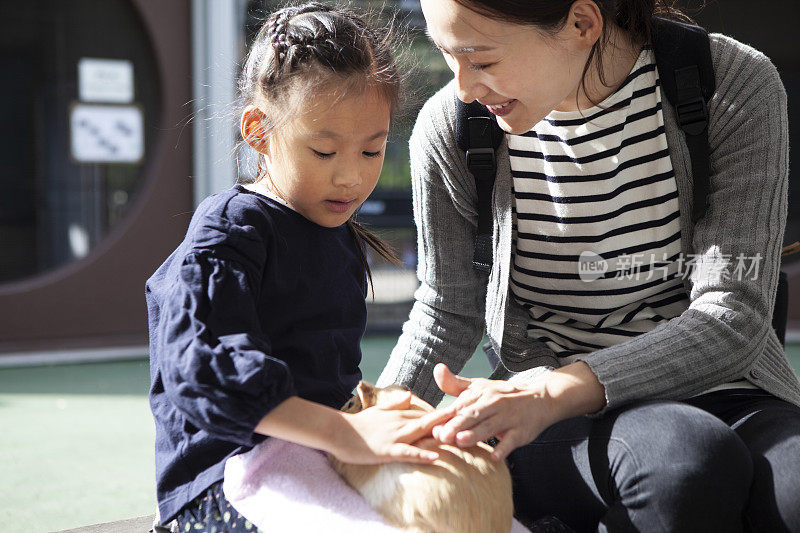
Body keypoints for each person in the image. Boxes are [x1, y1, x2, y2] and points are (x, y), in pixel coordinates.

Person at [376, 0, 800, 531]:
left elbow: (731, 312)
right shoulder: (451, 130)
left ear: (582, 23)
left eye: (480, 60)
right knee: (685, 463)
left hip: (732, 390)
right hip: (553, 419)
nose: (463, 86)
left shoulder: (730, 84)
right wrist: (364, 430)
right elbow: (448, 309)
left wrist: (553, 389)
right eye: (447, 57)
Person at [146, 4, 450, 531]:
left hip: (317, 459)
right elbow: (201, 370)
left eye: (372, 151)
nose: (350, 179)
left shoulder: (338, 235)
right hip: (224, 481)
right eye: (324, 151)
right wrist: (346, 435)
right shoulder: (232, 226)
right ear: (258, 130)